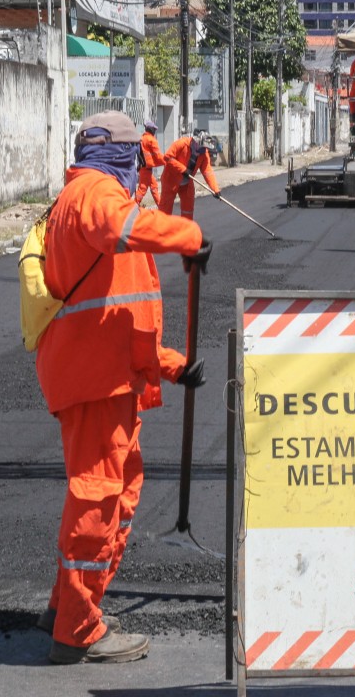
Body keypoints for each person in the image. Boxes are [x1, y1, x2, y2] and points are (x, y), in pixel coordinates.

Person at [34, 110, 211, 664]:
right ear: (118, 154)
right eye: (135, 155)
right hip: (94, 382)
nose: (140, 167)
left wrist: (170, 365)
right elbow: (124, 229)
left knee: (119, 492)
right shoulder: (93, 194)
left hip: (105, 376)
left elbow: (116, 312)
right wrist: (188, 236)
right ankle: (77, 629)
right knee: (97, 496)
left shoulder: (91, 196)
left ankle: (66, 606)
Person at [159, 130, 221, 220]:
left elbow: (208, 172)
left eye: (206, 148)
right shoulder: (182, 144)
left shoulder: (204, 153)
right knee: (165, 210)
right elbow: (168, 157)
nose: (205, 150)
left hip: (187, 183)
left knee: (188, 210)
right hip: (171, 180)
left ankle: (186, 227)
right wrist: (182, 169)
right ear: (197, 143)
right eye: (203, 148)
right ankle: (161, 228)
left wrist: (215, 189)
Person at [135, 120, 164, 205]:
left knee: (154, 186)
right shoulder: (152, 140)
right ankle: (133, 206)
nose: (155, 131)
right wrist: (167, 161)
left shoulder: (142, 138)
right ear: (150, 129)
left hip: (143, 167)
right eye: (154, 129)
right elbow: (158, 156)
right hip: (146, 168)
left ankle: (160, 206)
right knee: (142, 189)